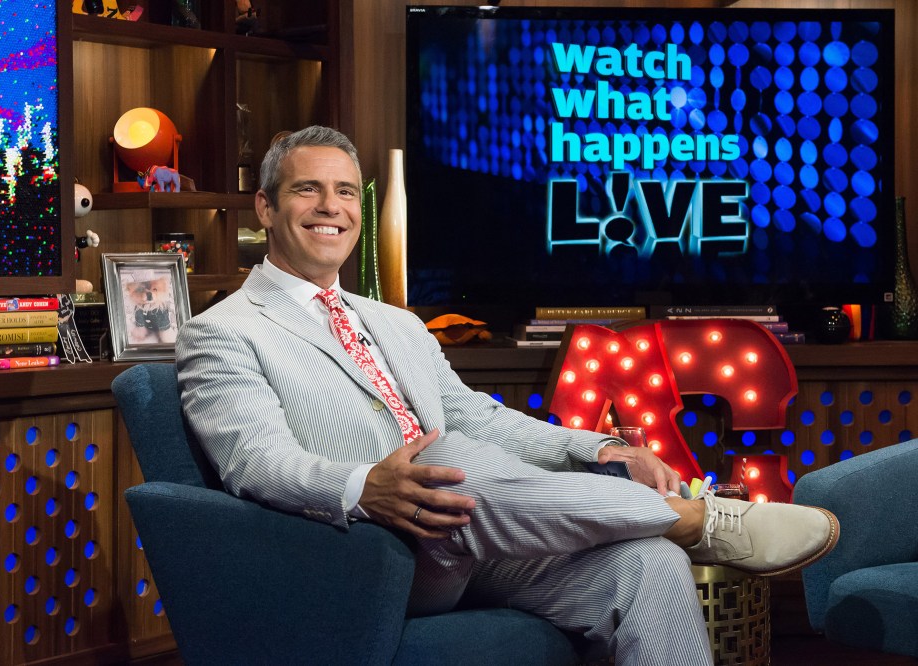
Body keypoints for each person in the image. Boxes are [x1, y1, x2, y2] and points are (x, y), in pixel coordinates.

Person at [176, 126, 839, 664]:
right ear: (265, 208)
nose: (331, 207)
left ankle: (669, 528)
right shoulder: (223, 333)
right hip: (372, 549)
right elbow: (255, 461)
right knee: (455, 466)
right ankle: (699, 519)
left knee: (648, 563)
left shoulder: (396, 323)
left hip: (478, 537)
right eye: (307, 190)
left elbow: (479, 419)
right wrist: (363, 485)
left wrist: (604, 448)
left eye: (346, 192)